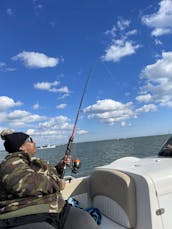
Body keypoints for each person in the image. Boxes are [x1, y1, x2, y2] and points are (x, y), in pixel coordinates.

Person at [0, 129, 98, 229]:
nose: (34, 142)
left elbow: (47, 177)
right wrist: (58, 184)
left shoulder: (33, 161)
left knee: (85, 220)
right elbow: (27, 183)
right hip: (24, 215)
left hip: (57, 209)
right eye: (30, 140)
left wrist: (60, 167)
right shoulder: (10, 164)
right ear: (21, 147)